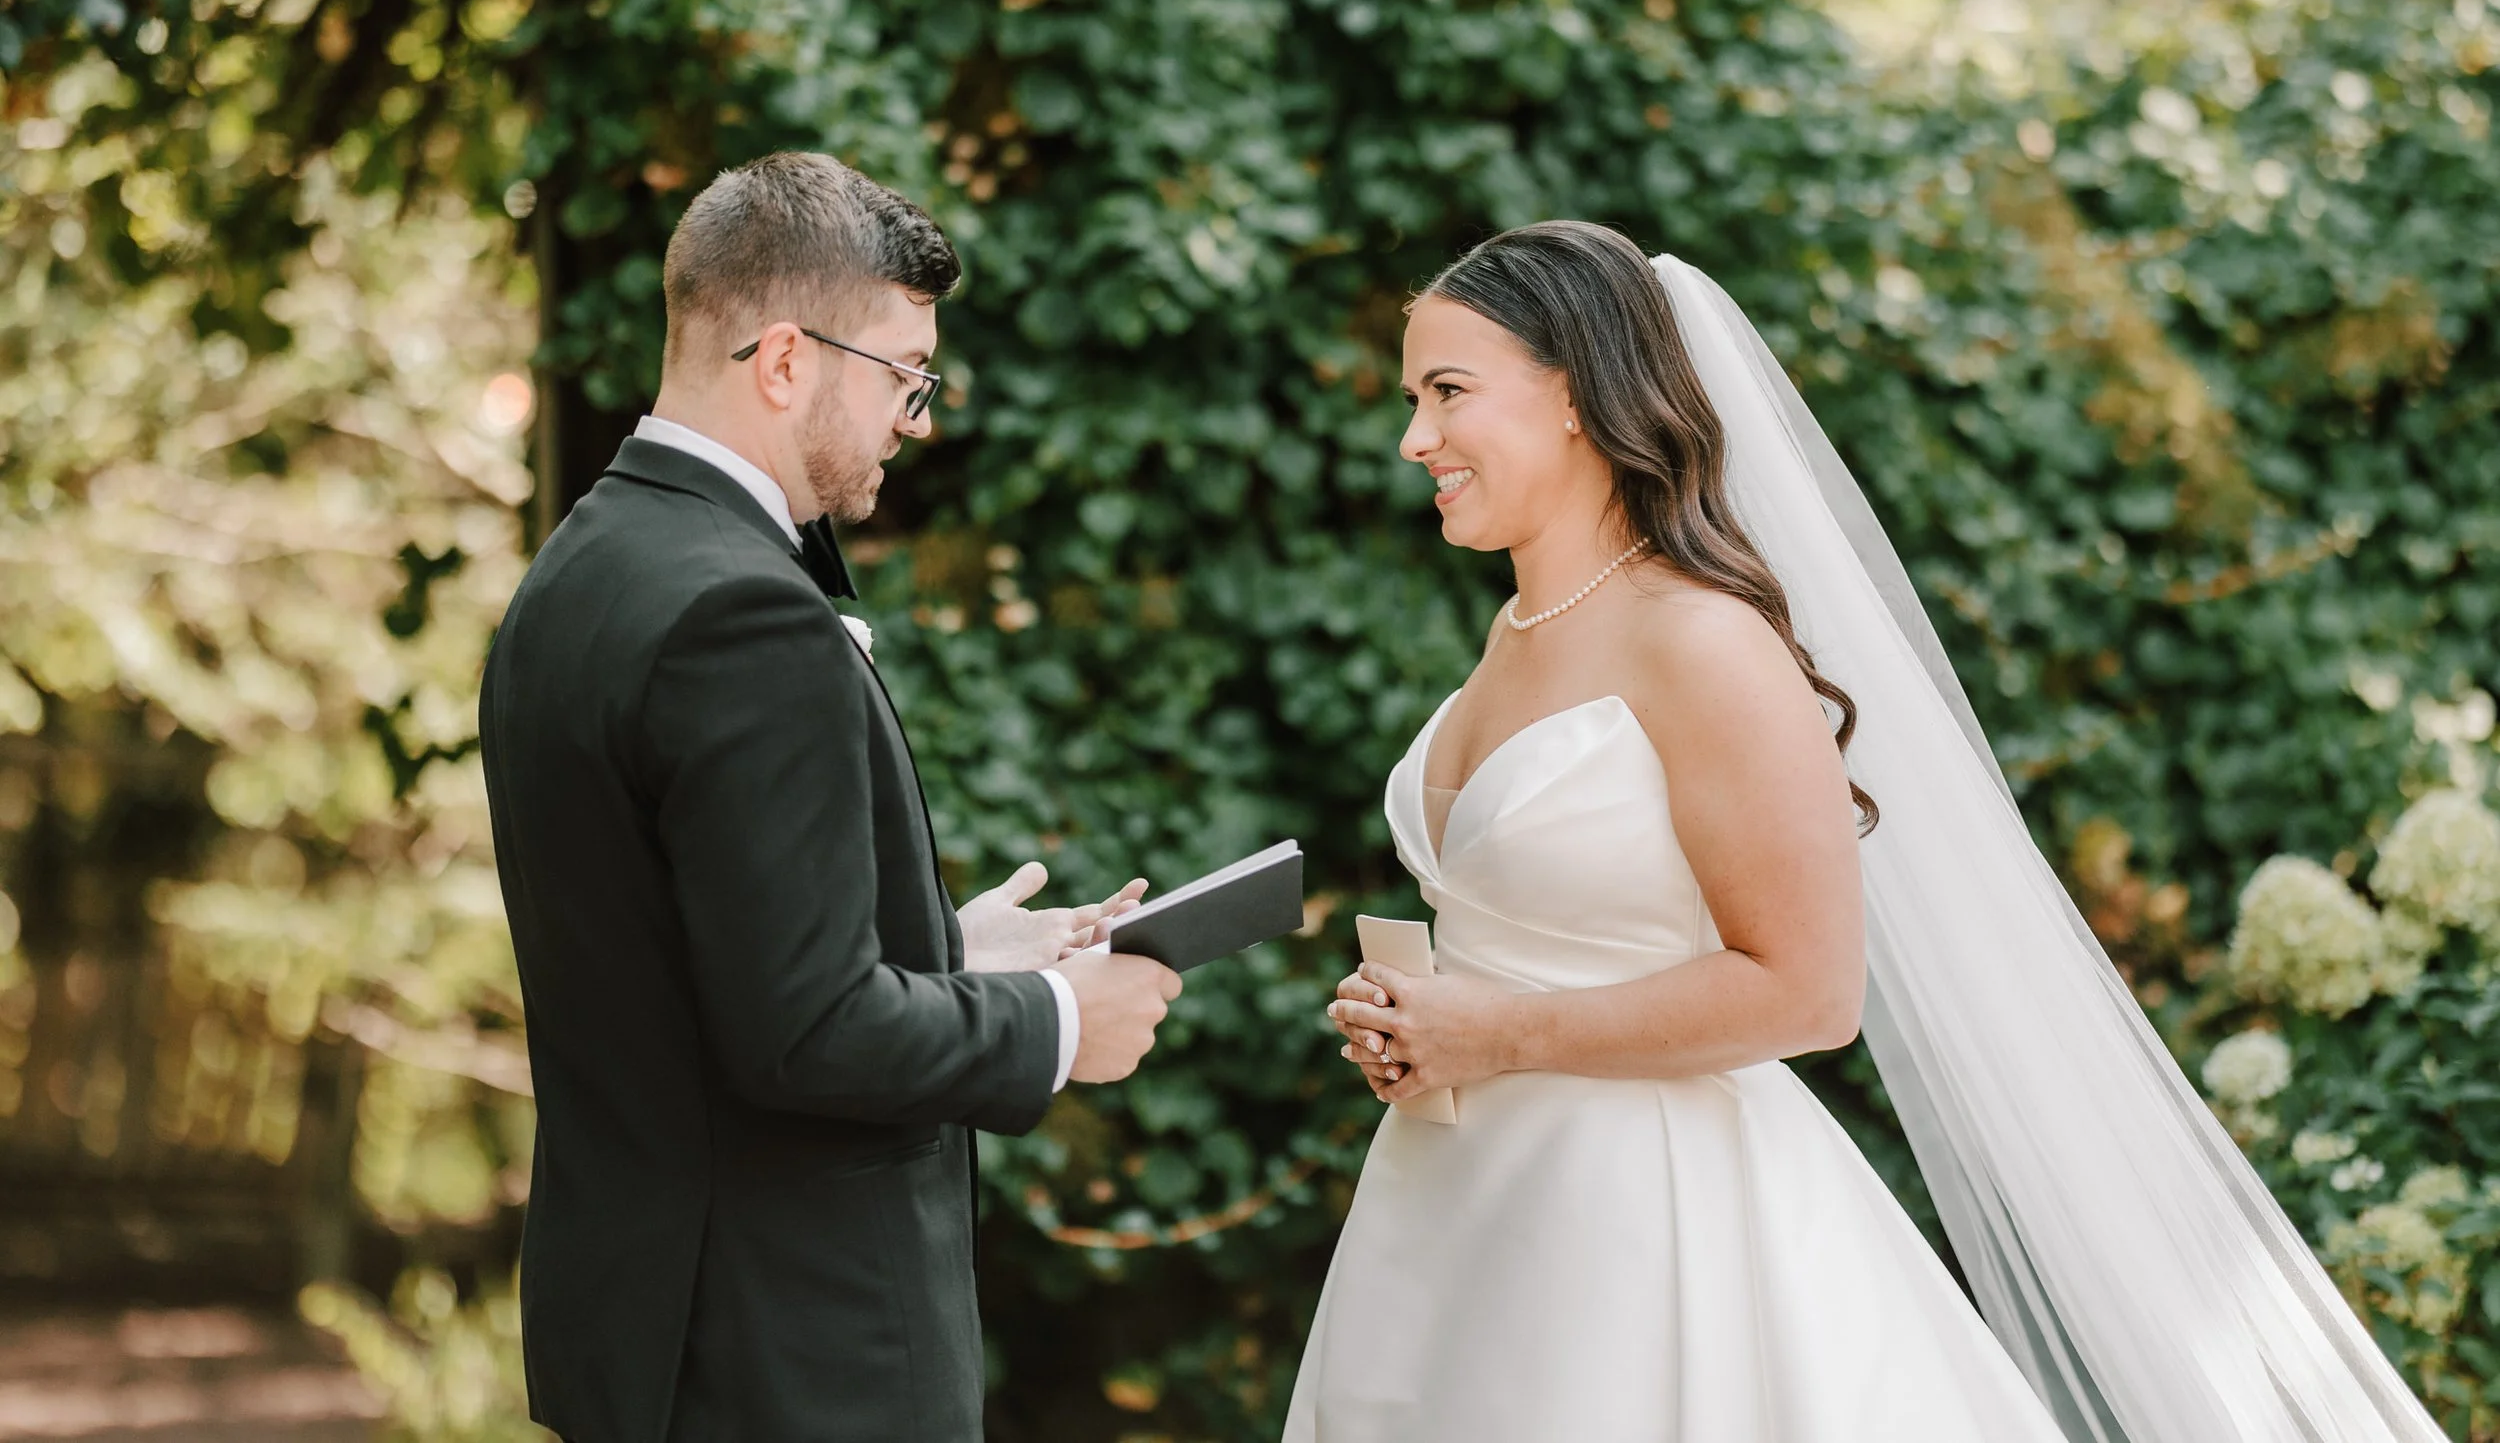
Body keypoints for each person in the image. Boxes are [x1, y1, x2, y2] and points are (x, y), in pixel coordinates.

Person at [1288, 223, 2444, 1442]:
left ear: (1573, 391)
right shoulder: (1518, 629)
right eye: (1415, 398)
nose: (1415, 437)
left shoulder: (1701, 642)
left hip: (1643, 1223)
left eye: (1447, 393)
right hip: (1453, 1204)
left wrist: (1501, 1028)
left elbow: (1807, 989)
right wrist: (1423, 1021)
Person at [479, 152, 1182, 1443]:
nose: (914, 422)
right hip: (794, 1352)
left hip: (648, 1330)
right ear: (787, 359)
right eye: (905, 379)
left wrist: (950, 948)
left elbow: (697, 961)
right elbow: (804, 1034)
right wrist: (1054, 1020)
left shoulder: (578, 573)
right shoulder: (744, 612)